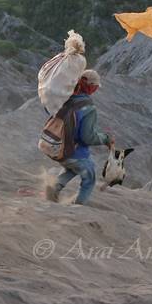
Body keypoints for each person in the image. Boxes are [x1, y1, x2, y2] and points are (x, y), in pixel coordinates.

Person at [46, 71, 113, 205]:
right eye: (96, 87)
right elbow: (87, 137)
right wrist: (105, 139)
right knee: (89, 177)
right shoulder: (88, 107)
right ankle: (79, 207)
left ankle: (55, 187)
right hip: (75, 152)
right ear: (91, 87)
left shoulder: (67, 99)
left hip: (58, 149)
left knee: (72, 168)